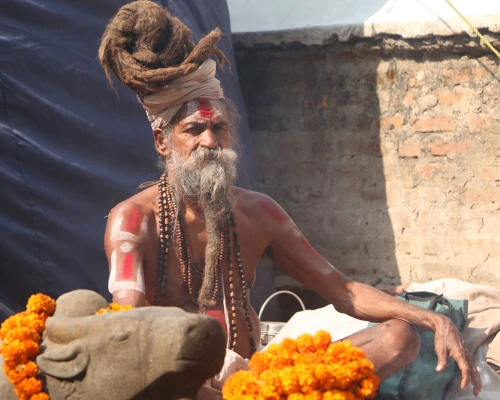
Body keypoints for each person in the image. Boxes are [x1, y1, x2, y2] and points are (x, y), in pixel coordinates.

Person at [99, 1, 481, 395]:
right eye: (194, 129)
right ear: (162, 140)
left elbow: (343, 291)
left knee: (399, 338)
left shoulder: (259, 212)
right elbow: (128, 328)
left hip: (258, 380)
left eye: (219, 128)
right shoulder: (132, 221)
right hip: (185, 385)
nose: (210, 141)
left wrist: (433, 319)